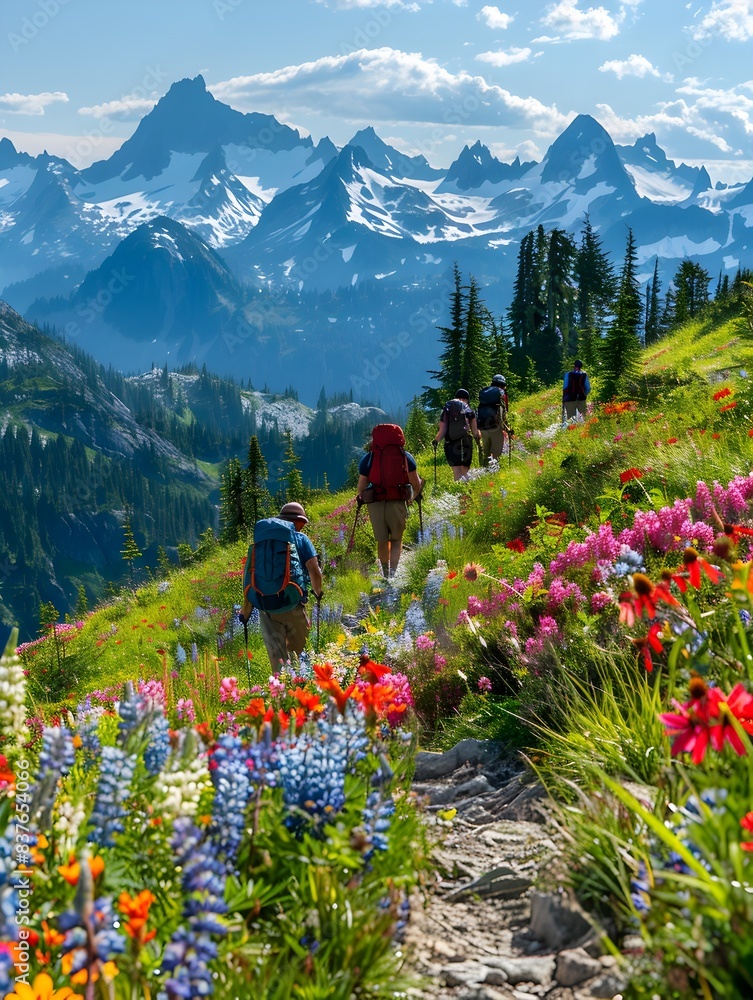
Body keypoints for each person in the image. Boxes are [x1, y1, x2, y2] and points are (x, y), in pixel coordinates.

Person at [241, 501, 323, 669]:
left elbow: (249, 576)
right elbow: (314, 571)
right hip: (292, 604)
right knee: (299, 655)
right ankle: (299, 687)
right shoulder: (301, 539)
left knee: (277, 659)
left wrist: (246, 610)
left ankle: (280, 690)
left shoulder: (262, 543)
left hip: (266, 607)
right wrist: (318, 592)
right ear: (300, 522)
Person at [357, 424, 424, 579]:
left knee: (382, 540)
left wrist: (363, 498)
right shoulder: (405, 456)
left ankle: (385, 573)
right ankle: (393, 574)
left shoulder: (370, 457)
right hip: (398, 501)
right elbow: (416, 483)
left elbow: (361, 487)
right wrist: (411, 499)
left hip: (375, 504)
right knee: (396, 539)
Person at [433, 389, 481, 481]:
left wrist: (436, 441)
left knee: (456, 470)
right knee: (465, 470)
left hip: (451, 443)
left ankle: (458, 490)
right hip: (466, 442)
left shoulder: (448, 409)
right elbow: (475, 432)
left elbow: (443, 429)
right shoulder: (469, 410)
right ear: (467, 399)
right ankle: (466, 490)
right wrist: (479, 441)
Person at [477, 374, 509, 465]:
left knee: (486, 452)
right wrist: (506, 428)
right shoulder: (502, 394)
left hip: (483, 426)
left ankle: (484, 470)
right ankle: (494, 471)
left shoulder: (485, 392)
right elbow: (504, 412)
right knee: (496, 453)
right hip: (496, 427)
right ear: (503, 384)